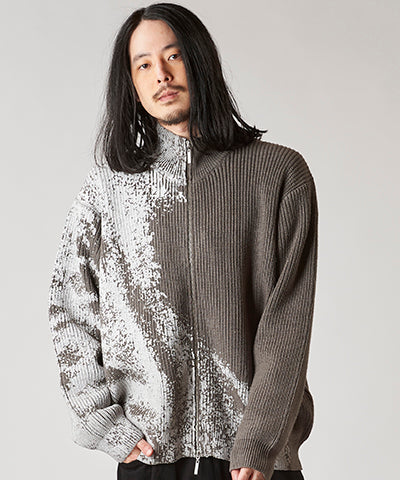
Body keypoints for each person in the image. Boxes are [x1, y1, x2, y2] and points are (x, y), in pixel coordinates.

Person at [48, 3, 318, 480]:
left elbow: (287, 323)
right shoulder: (109, 189)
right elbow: (70, 305)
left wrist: (258, 443)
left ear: (200, 61)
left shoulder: (278, 175)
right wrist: (105, 423)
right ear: (131, 83)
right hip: (152, 455)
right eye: (143, 64)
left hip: (254, 460)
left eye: (173, 56)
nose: (161, 75)